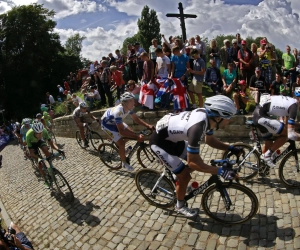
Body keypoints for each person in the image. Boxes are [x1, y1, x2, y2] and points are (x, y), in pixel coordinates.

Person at [149, 95, 240, 217]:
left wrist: (230, 147)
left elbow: (210, 141)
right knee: (185, 176)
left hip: (173, 139)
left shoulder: (207, 118)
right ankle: (180, 206)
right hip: (160, 143)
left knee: (195, 161)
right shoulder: (198, 127)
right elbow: (193, 163)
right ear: (218, 118)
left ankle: (178, 179)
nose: (230, 121)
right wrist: (220, 171)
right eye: (228, 118)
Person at [101, 92, 154, 171]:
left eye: (133, 100)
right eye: (131, 101)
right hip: (107, 124)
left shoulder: (129, 108)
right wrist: (136, 137)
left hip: (114, 121)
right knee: (122, 143)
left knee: (131, 132)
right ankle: (124, 163)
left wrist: (148, 125)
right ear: (124, 103)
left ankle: (120, 149)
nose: (134, 102)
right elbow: (122, 131)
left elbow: (136, 119)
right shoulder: (118, 112)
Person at [253, 94, 300, 167]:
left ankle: (259, 166)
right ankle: (266, 156)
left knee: (269, 145)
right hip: (261, 118)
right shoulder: (294, 107)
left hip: (258, 115)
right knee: (286, 134)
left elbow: (287, 124)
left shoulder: (291, 102)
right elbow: (291, 134)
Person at [26, 121, 64, 187]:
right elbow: (31, 153)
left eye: (41, 133)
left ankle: (51, 167)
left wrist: (58, 149)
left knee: (46, 150)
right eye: (38, 133)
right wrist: (38, 159)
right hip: (32, 144)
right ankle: (45, 179)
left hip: (40, 141)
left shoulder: (44, 131)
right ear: (34, 132)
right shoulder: (28, 135)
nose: (40, 135)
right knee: (39, 163)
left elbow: (51, 143)